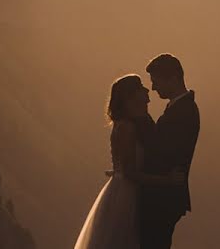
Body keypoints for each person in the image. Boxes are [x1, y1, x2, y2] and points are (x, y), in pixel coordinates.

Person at [74, 74, 184, 249]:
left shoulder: (132, 124)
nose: (147, 90)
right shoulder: (127, 127)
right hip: (126, 196)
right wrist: (167, 180)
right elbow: (130, 173)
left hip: (127, 191)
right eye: (141, 87)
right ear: (130, 96)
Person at [140, 54, 200, 249]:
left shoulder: (184, 110)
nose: (154, 87)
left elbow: (164, 152)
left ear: (173, 79)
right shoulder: (179, 108)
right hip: (164, 193)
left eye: (156, 81)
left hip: (163, 196)